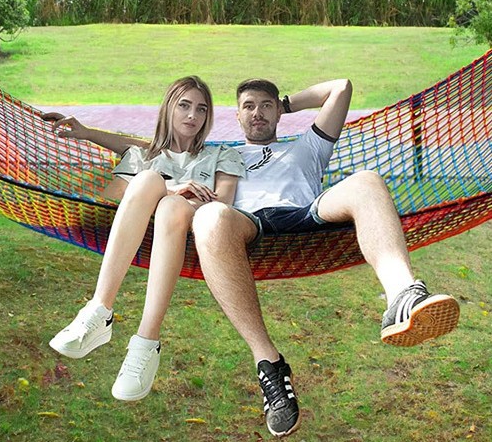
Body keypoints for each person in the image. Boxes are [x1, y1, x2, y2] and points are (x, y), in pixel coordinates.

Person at [190, 77, 461, 438]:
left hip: (307, 214)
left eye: (266, 105)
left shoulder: (308, 146)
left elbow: (341, 88)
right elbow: (160, 152)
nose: (258, 113)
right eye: (249, 106)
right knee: (208, 216)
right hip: (249, 223)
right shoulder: (222, 157)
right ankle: (269, 363)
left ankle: (402, 295)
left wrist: (287, 104)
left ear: (278, 112)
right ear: (237, 115)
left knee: (367, 180)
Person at [42, 75, 245, 402]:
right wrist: (170, 187)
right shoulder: (141, 156)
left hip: (193, 230)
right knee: (151, 181)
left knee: (170, 205)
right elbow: (112, 198)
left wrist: (175, 197)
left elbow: (223, 203)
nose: (192, 115)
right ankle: (100, 310)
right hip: (142, 230)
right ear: (168, 108)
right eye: (184, 105)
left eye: (201, 109)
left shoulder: (221, 154)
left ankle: (145, 341)